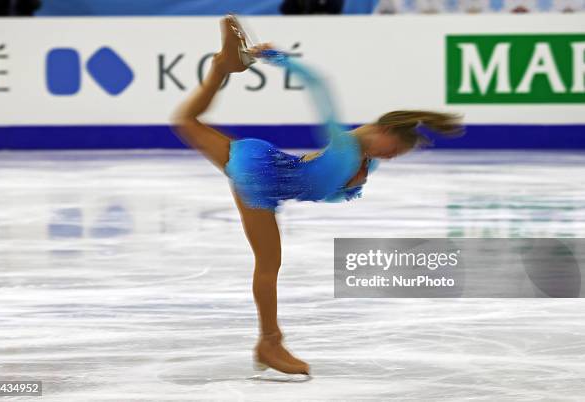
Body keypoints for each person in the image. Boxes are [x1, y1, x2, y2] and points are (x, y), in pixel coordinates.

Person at [171, 15, 463, 376]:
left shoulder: (365, 158)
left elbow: (325, 178)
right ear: (384, 130)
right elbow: (319, 86)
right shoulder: (345, 145)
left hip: (265, 161)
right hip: (260, 179)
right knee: (268, 264)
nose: (391, 157)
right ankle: (270, 343)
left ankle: (222, 67)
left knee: (185, 122)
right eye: (394, 149)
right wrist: (281, 60)